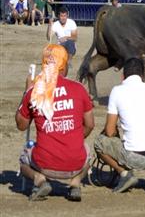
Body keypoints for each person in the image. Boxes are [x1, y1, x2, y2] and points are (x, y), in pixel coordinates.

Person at [16, 44, 94, 201]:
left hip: (44, 164)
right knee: (87, 150)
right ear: (63, 66)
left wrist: (26, 91)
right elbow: (90, 124)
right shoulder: (79, 89)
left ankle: (39, 179)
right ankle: (75, 183)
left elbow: (21, 125)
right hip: (75, 164)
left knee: (24, 157)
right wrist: (74, 137)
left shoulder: (34, 92)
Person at [94, 58, 145, 193]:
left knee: (99, 142)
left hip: (136, 158)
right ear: (142, 75)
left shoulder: (117, 91)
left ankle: (125, 174)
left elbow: (110, 132)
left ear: (123, 76)